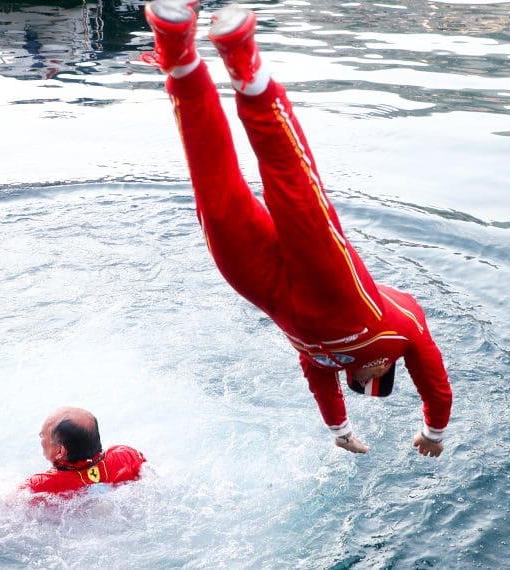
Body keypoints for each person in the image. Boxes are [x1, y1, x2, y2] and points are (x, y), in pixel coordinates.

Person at [143, 1, 453, 456]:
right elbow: (436, 383)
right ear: (382, 376)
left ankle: (179, 54)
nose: (360, 382)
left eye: (357, 384)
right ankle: (247, 69)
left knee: (215, 196)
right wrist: (433, 433)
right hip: (340, 293)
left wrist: (340, 432)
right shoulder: (402, 328)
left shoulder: (323, 364)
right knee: (296, 191)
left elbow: (321, 388)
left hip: (268, 293)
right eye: (368, 384)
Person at [22, 406, 146, 495]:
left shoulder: (37, 487)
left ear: (60, 452)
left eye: (43, 435)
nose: (40, 435)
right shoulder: (127, 456)